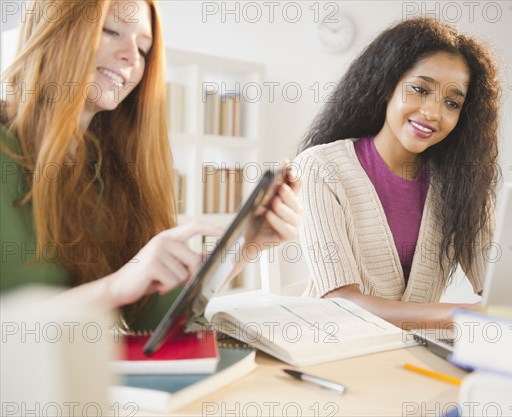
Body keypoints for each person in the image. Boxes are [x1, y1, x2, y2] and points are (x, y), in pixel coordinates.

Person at [0, 0, 302, 330]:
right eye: (111, 30)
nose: (131, 56)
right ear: (53, 31)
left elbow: (152, 321)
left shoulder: (106, 174)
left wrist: (246, 244)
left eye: (144, 48)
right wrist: (115, 287)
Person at [295, 17, 500, 329]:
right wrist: (460, 315)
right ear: (387, 84)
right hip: (329, 348)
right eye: (420, 89)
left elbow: (501, 290)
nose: (434, 112)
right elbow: (340, 302)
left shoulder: (462, 184)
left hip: (414, 356)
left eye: (452, 102)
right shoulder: (321, 167)